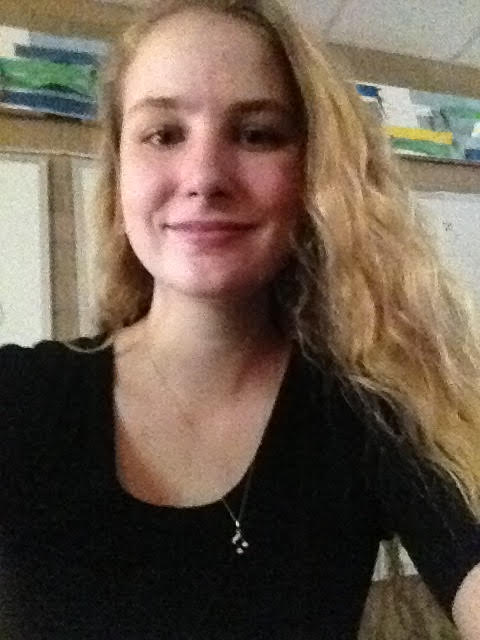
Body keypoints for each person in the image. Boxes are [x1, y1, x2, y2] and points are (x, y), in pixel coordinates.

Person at [1, 0, 480, 638]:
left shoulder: (376, 411)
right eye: (163, 134)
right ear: (119, 174)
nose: (204, 177)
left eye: (257, 134)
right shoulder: (17, 396)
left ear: (312, 175)